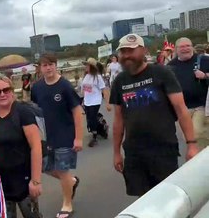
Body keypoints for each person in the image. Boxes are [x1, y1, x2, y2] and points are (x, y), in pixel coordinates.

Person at [110, 34, 199, 197]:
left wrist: (191, 144)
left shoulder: (161, 73)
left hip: (163, 149)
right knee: (143, 201)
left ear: (143, 50)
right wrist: (116, 152)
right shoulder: (119, 81)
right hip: (134, 152)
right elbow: (118, 119)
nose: (127, 55)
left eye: (131, 50)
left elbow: (181, 109)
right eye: (123, 51)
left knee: (167, 198)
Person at [31, 54, 82, 218]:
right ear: (40, 68)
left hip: (65, 135)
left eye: (51, 64)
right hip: (46, 136)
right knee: (45, 167)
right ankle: (71, 182)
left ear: (56, 65)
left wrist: (78, 137)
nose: (48, 68)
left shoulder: (65, 86)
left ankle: (67, 204)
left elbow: (77, 111)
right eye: (44, 65)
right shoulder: (37, 88)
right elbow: (34, 110)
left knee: (62, 169)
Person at [0, 74, 42, 218]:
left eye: (6, 89)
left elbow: (36, 147)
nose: (3, 94)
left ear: (12, 90)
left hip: (23, 181)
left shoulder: (23, 113)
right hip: (1, 183)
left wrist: (35, 181)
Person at [167, 37, 209, 150]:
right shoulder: (171, 66)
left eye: (188, 46)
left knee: (197, 133)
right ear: (176, 49)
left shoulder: (204, 60)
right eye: (182, 47)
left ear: (192, 47)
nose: (185, 49)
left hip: (201, 106)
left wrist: (205, 76)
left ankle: (201, 161)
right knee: (190, 137)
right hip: (182, 108)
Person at [81, 58, 111, 147]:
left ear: (92, 67)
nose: (85, 67)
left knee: (92, 118)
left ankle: (94, 138)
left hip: (95, 101)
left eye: (87, 65)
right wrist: (82, 101)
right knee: (89, 120)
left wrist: (108, 103)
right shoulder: (86, 76)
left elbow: (104, 90)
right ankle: (103, 127)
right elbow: (84, 90)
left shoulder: (97, 77)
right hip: (87, 101)